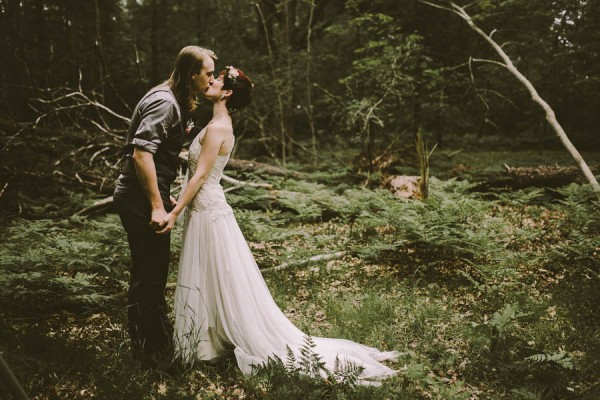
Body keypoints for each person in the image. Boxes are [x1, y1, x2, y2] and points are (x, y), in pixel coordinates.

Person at [160, 66, 398, 384]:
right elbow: (197, 172)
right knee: (210, 273)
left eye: (217, 79)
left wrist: (174, 211)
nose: (211, 80)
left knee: (213, 271)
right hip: (205, 208)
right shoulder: (216, 123)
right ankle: (207, 341)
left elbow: (201, 175)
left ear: (227, 93)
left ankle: (205, 342)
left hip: (207, 210)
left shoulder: (219, 127)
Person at [113, 45, 216, 365]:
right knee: (149, 278)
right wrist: (157, 206)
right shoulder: (164, 103)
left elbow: (155, 158)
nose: (212, 79)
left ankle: (153, 348)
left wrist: (161, 193)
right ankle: (151, 358)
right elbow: (141, 154)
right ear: (192, 73)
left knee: (152, 275)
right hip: (137, 200)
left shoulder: (171, 98)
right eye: (209, 73)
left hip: (144, 195)